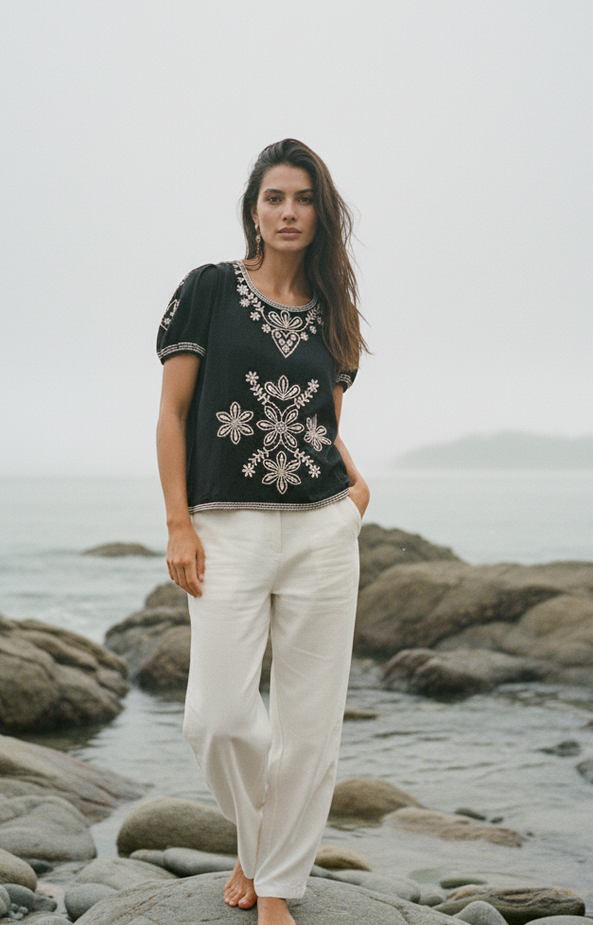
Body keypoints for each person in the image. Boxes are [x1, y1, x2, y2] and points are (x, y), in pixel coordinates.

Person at [156, 138, 369, 925]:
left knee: (310, 722)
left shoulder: (336, 315)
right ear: (254, 206)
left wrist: (354, 486)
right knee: (215, 717)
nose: (289, 211)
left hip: (321, 527)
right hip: (226, 528)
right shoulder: (208, 290)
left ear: (322, 213)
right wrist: (178, 521)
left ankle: (275, 882)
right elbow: (174, 413)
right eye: (275, 197)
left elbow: (322, 423)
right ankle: (256, 839)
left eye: (304, 198)